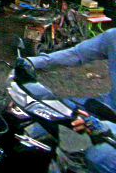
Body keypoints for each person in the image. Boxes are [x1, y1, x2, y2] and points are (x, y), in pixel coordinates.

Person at [27, 29, 116, 173]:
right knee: (48, 111)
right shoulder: (113, 37)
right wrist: (32, 62)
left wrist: (106, 128)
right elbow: (76, 54)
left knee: (99, 156)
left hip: (109, 127)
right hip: (107, 107)